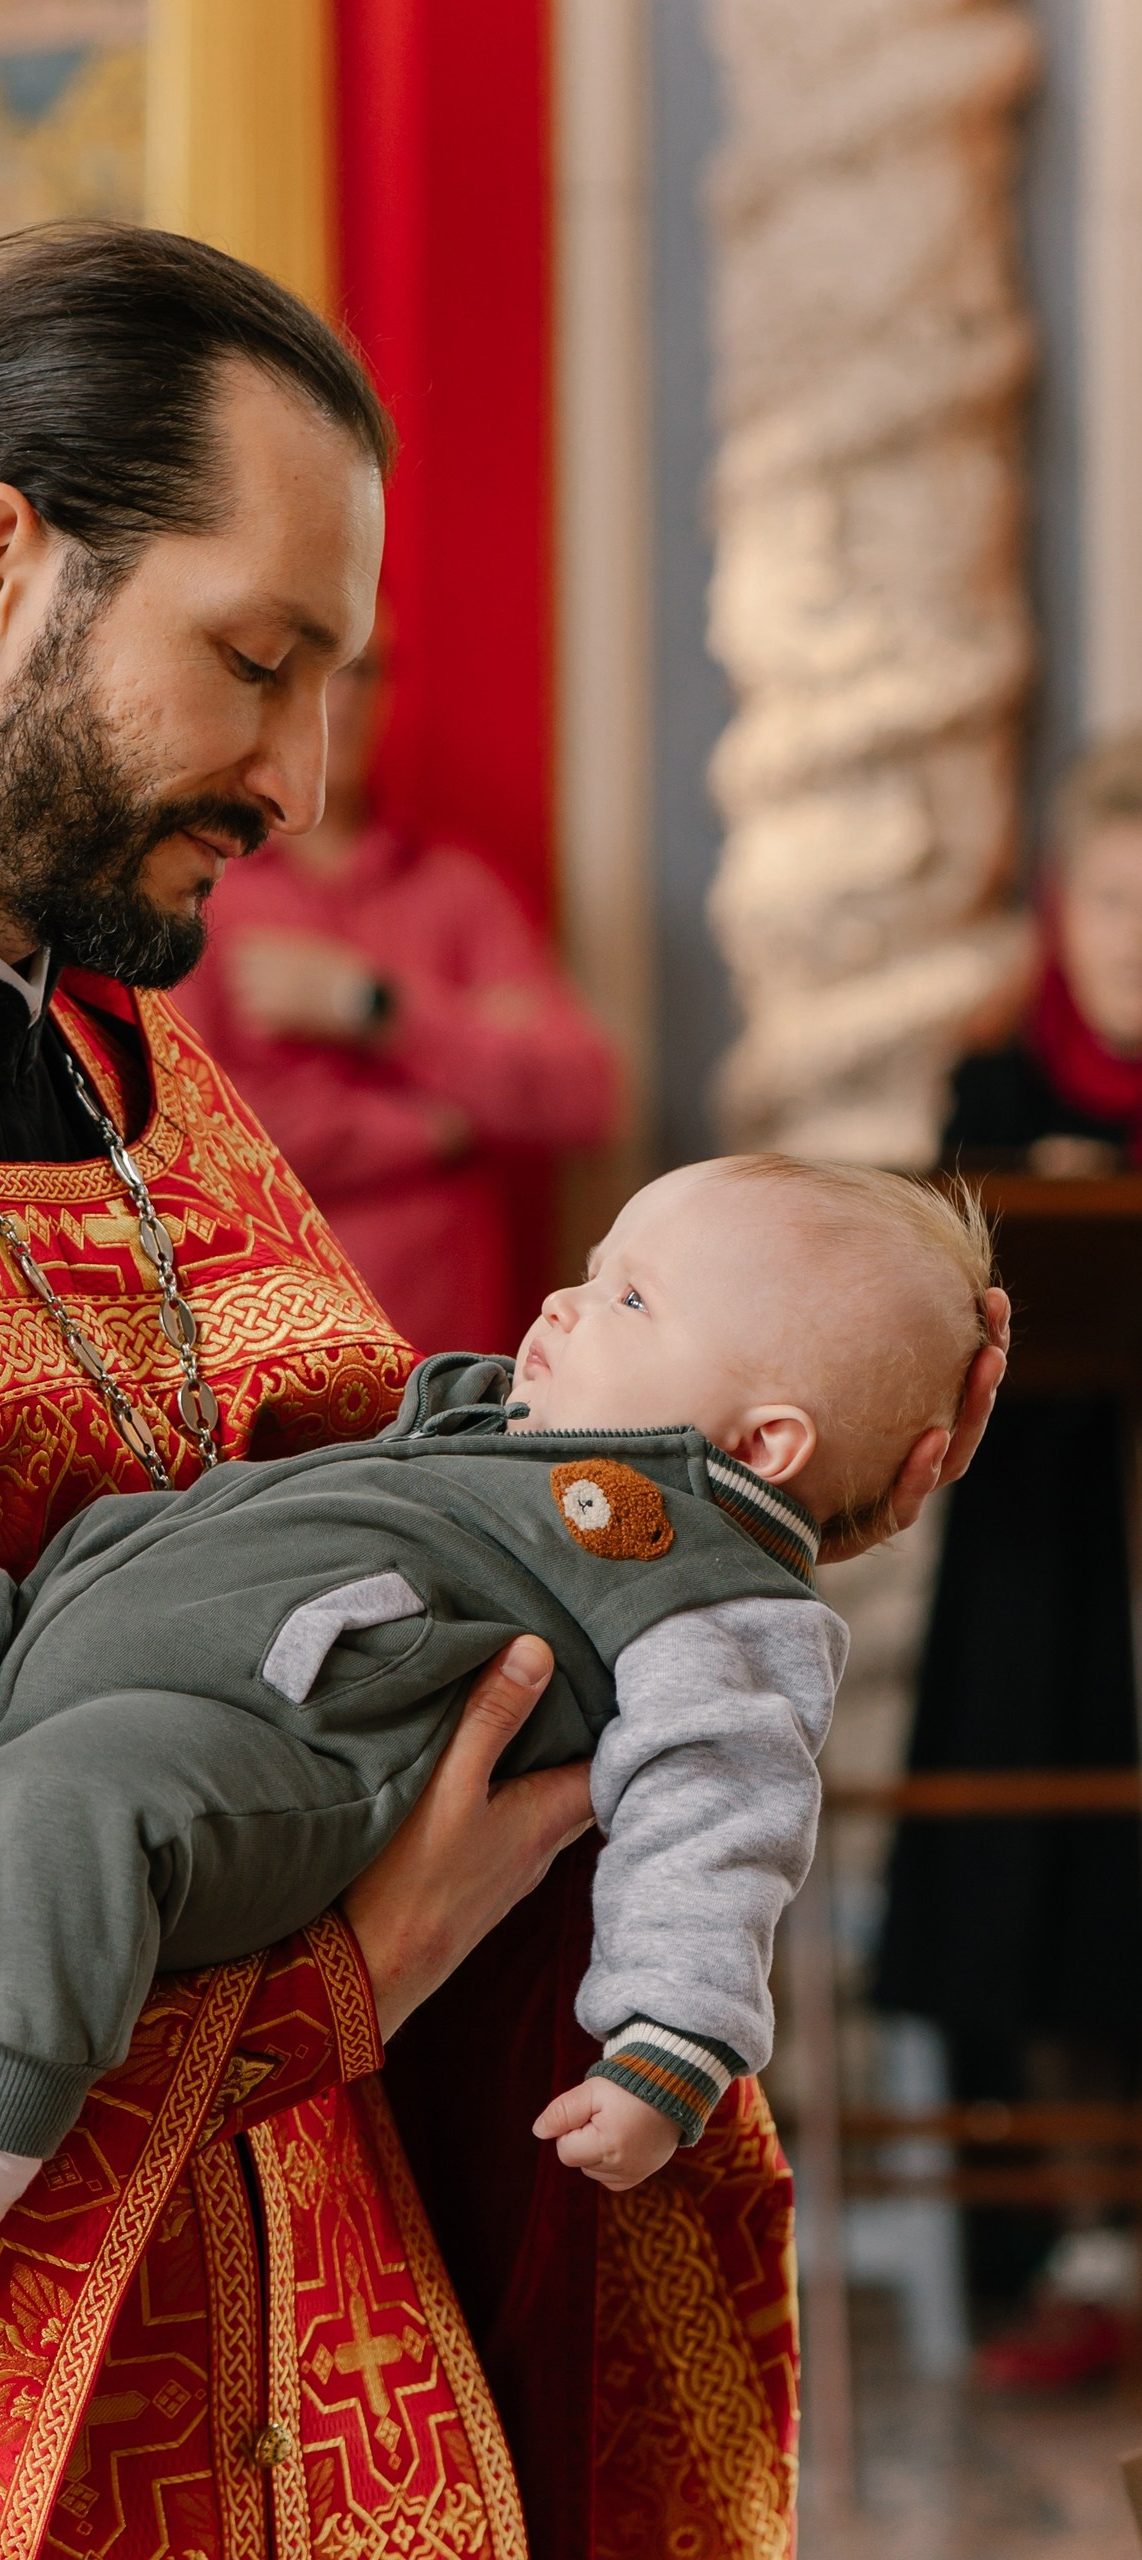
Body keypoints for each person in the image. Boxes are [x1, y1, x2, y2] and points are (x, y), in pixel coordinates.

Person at [0, 225, 1005, 2560]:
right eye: (253, 661)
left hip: (353, 2386)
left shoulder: (126, 1074)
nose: (295, 772)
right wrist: (328, 1977)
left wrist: (763, 1493)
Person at [0, 1154, 990, 2279]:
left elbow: (719, 1805)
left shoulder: (703, 1581)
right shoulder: (511, 1426)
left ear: (766, 1441)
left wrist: (668, 2041)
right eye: (593, 1268)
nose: (562, 1302)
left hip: (263, 1749)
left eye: (630, 1300)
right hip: (60, 1626)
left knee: (68, 1803)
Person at [878, 735, 1142, 2388]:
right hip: (1043, 1572)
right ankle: (1075, 2244)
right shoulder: (994, 1081)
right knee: (1039, 1883)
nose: (1134, 939)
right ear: (1061, 904)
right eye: (1112, 900)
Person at [175, 607, 616, 1350]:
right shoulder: (199, 890)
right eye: (312, 670)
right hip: (266, 1344)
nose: (343, 698)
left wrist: (373, 1004)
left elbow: (585, 1094)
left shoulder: (458, 891)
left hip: (449, 1361)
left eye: (364, 671)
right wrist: (441, 1122)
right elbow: (206, 1139)